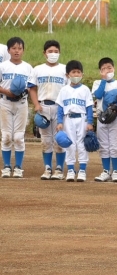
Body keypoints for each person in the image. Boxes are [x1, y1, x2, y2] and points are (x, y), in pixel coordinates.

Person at [29, 40, 68, 180]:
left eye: (56, 51)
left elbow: (69, 90)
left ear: (60, 53)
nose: (53, 54)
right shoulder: (37, 69)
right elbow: (32, 88)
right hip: (43, 107)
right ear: (44, 53)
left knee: (59, 139)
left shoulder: (65, 69)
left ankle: (59, 169)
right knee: (46, 140)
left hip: (60, 107)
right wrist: (36, 104)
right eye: (50, 51)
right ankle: (47, 168)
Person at [0, 37, 34, 178]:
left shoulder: (28, 67)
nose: (16, 51)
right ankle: (7, 166)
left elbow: (31, 87)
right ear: (8, 50)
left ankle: (18, 167)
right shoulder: (2, 66)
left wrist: (23, 91)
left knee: (19, 137)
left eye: (19, 48)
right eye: (13, 48)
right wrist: (7, 92)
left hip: (21, 103)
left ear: (23, 50)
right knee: (6, 136)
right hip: (5, 102)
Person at [55, 60, 93, 182]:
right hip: (68, 119)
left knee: (82, 145)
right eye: (73, 72)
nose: (76, 74)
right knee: (69, 144)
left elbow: (89, 107)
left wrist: (90, 122)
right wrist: (59, 122)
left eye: (78, 72)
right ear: (67, 75)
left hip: (82, 118)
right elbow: (60, 108)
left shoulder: (85, 89)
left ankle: (82, 170)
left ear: (82, 74)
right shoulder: (64, 90)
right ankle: (71, 170)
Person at [92, 58, 117, 183]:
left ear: (114, 68)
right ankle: (106, 171)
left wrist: (116, 107)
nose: (107, 71)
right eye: (104, 69)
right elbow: (98, 95)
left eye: (109, 68)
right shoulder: (97, 83)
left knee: (115, 146)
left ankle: (116, 172)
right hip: (102, 118)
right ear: (100, 71)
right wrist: (103, 80)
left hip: (115, 118)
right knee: (104, 146)